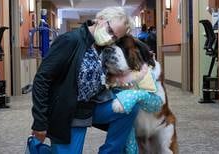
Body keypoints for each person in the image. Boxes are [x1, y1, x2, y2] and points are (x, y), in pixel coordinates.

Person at [31, 6, 142, 154]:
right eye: (110, 31)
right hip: (67, 113)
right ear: (100, 19)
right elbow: (41, 79)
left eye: (115, 37)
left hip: (90, 106)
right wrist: (40, 121)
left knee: (130, 105)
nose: (110, 38)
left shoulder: (102, 47)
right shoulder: (70, 40)